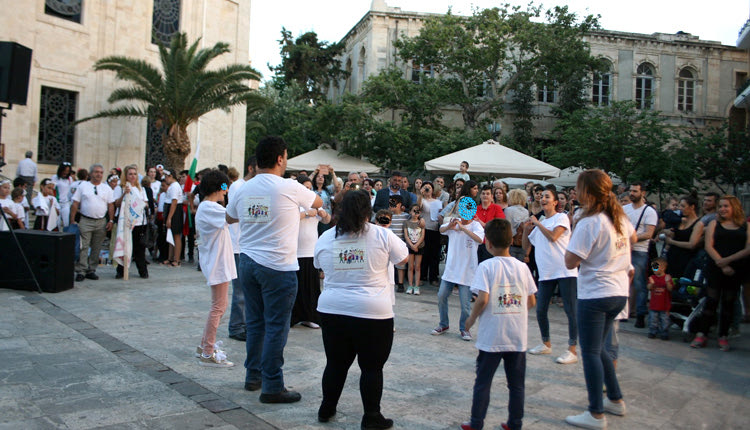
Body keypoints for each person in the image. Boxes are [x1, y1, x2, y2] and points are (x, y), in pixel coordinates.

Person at [226, 136, 322, 403]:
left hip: (247, 263)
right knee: (276, 327)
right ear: (280, 158)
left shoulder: (242, 188)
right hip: (278, 267)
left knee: (255, 324)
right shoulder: (288, 186)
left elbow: (229, 217)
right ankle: (272, 385)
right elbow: (318, 203)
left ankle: (253, 376)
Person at [313, 190, 408, 428]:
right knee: (372, 367)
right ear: (369, 212)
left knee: (335, 363)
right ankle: (371, 416)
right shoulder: (381, 235)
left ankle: (327, 407)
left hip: (333, 309)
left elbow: (318, 264)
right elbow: (403, 258)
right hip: (373, 311)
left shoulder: (326, 238)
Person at [563, 169, 636, 430]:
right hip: (618, 291)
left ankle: (595, 413)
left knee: (591, 352)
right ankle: (614, 399)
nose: (575, 191)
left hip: (596, 293)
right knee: (601, 349)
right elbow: (634, 238)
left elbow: (570, 260)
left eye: (578, 187)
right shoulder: (618, 217)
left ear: (586, 192)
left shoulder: (590, 222)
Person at [460, 219, 537, 430]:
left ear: (488, 243)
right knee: (516, 385)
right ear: (512, 240)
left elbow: (483, 299)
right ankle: (515, 423)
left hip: (491, 336)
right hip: (516, 336)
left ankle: (476, 423)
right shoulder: (523, 268)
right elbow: (531, 301)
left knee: (483, 382)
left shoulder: (486, 266)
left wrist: (471, 320)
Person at [523, 185, 579, 365]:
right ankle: (546, 343)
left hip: (565, 271)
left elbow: (554, 237)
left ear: (555, 202)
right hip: (546, 273)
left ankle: (572, 349)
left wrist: (538, 223)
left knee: (571, 310)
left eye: (547, 196)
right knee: (540, 310)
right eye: (542, 197)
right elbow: (526, 247)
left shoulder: (561, 218)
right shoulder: (540, 223)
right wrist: (526, 229)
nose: (543, 199)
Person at [691, 195, 750, 351]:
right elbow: (709, 246)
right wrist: (721, 263)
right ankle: (701, 333)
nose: (723, 209)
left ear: (734, 208)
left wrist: (728, 260)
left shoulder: (745, 226)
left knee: (729, 304)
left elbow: (748, 248)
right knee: (711, 301)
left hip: (735, 270)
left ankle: (723, 335)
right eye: (721, 206)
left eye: (726, 206)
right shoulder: (714, 224)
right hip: (715, 268)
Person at [194, 169, 236, 367]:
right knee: (218, 307)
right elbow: (231, 217)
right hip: (217, 263)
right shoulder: (209, 207)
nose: (226, 192)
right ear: (218, 187)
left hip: (219, 261)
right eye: (224, 187)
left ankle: (205, 345)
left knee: (220, 306)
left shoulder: (209, 207)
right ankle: (208, 351)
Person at [432, 199, 485, 341]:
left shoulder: (476, 226)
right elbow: (441, 230)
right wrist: (450, 225)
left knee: (465, 305)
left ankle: (465, 329)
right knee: (441, 296)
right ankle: (443, 324)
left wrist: (464, 228)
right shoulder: (453, 222)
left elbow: (480, 240)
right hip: (450, 270)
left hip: (467, 272)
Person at [291, 175, 331, 329]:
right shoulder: (294, 204)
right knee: (296, 286)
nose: (308, 191)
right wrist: (307, 213)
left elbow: (327, 220)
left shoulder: (316, 204)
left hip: (311, 251)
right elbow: (290, 218)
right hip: (296, 252)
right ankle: (294, 316)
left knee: (311, 286)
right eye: (305, 188)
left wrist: (324, 214)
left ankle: (311, 316)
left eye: (310, 188)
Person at [226, 156, 256, 342]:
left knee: (246, 289)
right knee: (239, 290)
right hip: (237, 244)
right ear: (251, 168)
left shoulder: (250, 187)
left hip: (246, 244)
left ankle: (244, 324)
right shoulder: (238, 186)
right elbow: (235, 213)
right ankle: (236, 326)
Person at [70, 164, 115, 282]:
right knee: (83, 246)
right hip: (86, 220)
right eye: (96, 172)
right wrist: (72, 219)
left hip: (100, 221)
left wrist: (111, 220)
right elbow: (75, 203)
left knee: (96, 247)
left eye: (101, 172)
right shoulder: (83, 186)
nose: (98, 174)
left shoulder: (107, 188)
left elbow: (111, 205)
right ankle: (81, 270)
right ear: (91, 173)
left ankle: (91, 269)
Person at [623, 182, 658, 328]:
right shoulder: (624, 209)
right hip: (624, 250)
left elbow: (649, 233)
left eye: (635, 191)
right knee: (623, 282)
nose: (632, 193)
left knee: (639, 283)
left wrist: (632, 238)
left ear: (643, 193)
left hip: (640, 250)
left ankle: (641, 314)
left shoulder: (649, 212)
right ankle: (623, 311)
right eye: (631, 191)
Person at [113, 165, 149, 279]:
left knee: (139, 249)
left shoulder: (140, 189)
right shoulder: (120, 188)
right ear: (126, 175)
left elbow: (146, 203)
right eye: (130, 174)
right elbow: (117, 204)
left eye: (134, 174)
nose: (133, 176)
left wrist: (141, 204)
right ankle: (121, 271)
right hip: (126, 223)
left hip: (139, 222)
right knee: (125, 247)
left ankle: (143, 271)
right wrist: (125, 193)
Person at [662, 195, 700, 279]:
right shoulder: (680, 220)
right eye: (679, 206)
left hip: (685, 260)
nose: (680, 208)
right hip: (672, 258)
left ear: (692, 207)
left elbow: (692, 244)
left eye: (683, 206)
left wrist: (672, 242)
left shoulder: (698, 223)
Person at [419, 181, 443, 287]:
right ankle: (422, 275)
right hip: (425, 228)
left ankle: (433, 277)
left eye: (429, 188)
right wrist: (421, 194)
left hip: (435, 229)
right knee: (424, 253)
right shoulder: (421, 200)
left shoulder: (437, 201)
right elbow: (418, 207)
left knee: (434, 254)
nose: (428, 189)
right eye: (426, 187)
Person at [475, 185, 506, 263]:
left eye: (488, 194)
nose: (485, 195)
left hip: (491, 243)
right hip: (476, 242)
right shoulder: (475, 209)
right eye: (483, 193)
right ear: (480, 195)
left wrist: (482, 223)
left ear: (492, 196)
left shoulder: (497, 208)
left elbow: (500, 225)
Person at [646, 258, 674, 340]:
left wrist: (668, 282)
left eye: (655, 267)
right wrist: (651, 283)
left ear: (663, 268)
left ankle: (664, 333)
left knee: (665, 320)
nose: (653, 269)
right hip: (654, 304)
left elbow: (670, 289)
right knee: (653, 320)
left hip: (664, 305)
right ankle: (652, 332)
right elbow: (648, 287)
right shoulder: (652, 277)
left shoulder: (667, 277)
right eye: (653, 267)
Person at [387, 195, 408, 292]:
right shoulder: (388, 216)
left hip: (401, 243)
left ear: (399, 205)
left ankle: (400, 283)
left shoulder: (406, 216)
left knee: (400, 265)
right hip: (389, 244)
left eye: (393, 203)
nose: (391, 205)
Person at [162, 170, 183, 267]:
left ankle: (177, 259)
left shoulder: (175, 186)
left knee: (176, 235)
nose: (165, 179)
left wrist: (169, 218)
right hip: (169, 209)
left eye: (166, 176)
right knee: (170, 234)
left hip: (175, 212)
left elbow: (174, 202)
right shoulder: (171, 186)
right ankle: (170, 257)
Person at [404, 203, 425, 295]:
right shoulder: (406, 222)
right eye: (414, 211)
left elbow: (422, 235)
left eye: (418, 211)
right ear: (410, 212)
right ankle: (410, 285)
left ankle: (416, 286)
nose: (416, 213)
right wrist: (412, 245)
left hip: (419, 247)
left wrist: (416, 245)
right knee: (410, 267)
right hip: (409, 247)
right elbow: (406, 235)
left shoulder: (421, 223)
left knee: (417, 267)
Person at [505, 189, 530, 262]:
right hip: (522, 242)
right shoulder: (526, 211)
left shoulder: (508, 210)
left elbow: (508, 226)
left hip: (511, 242)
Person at [52, 162, 74, 228]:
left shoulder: (70, 179)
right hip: (57, 202)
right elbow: (52, 189)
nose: (65, 172)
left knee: (66, 222)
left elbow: (71, 190)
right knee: (57, 222)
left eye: (67, 171)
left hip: (66, 203)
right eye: (64, 171)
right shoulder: (55, 177)